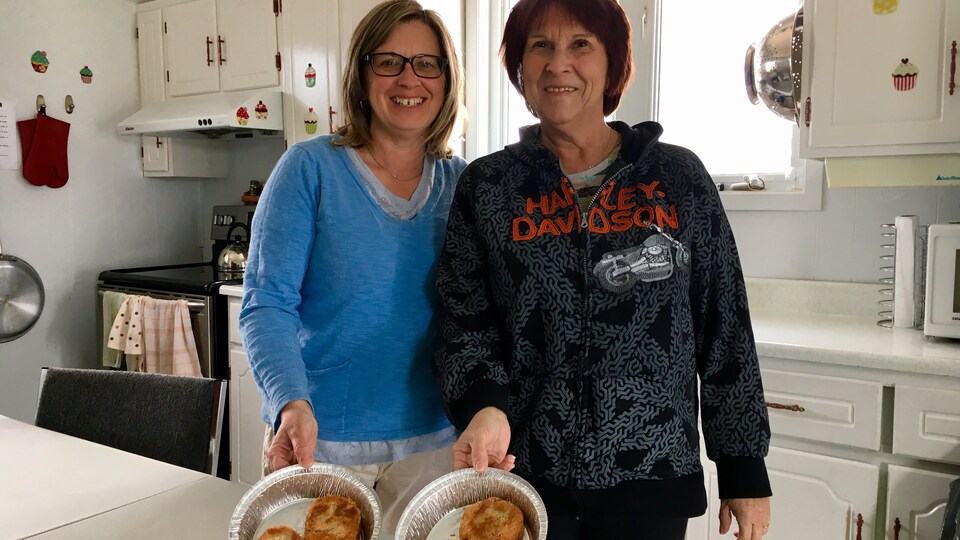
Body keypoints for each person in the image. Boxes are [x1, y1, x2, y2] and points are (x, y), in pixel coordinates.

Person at [432, 0, 772, 538]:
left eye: (580, 44)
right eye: (540, 45)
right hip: (525, 478)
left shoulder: (677, 177)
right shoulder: (489, 186)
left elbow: (724, 324)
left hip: (653, 478)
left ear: (613, 63)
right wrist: (483, 407)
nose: (558, 63)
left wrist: (743, 466)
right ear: (520, 67)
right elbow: (465, 321)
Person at [239, 0, 465, 532]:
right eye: (388, 61)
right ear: (362, 76)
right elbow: (267, 304)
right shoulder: (309, 168)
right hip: (320, 439)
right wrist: (290, 403)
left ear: (446, 79)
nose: (408, 79)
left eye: (426, 63)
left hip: (435, 443)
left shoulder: (463, 182)